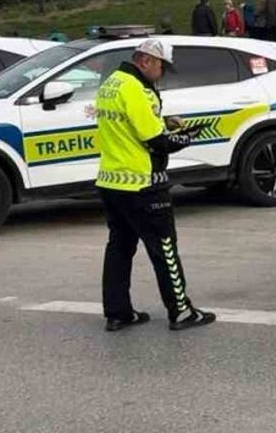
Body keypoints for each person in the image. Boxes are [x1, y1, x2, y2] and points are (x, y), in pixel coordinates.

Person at [95, 39, 216, 332]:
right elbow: (156, 142)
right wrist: (188, 135)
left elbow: (130, 125)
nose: (162, 73)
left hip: (111, 180)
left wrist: (162, 122)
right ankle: (181, 311)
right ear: (146, 60)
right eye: (161, 66)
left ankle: (117, 312)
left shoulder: (112, 82)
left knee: (119, 249)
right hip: (143, 183)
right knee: (164, 248)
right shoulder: (137, 89)